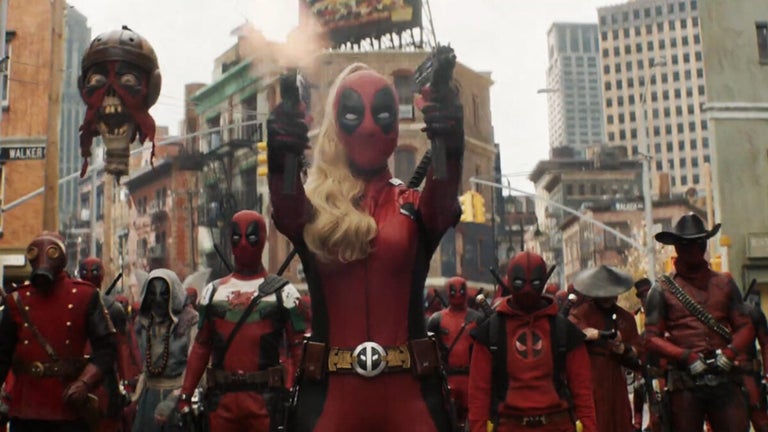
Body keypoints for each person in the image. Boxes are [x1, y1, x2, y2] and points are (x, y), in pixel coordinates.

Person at [267, 60, 464, 431]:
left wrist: (448, 141)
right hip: (331, 399)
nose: (370, 127)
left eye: (383, 113)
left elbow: (443, 196)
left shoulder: (414, 206)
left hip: (409, 397)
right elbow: (285, 205)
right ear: (336, 123)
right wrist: (284, 155)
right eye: (354, 114)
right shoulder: (316, 209)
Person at [177, 210, 306, 431]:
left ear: (262, 239)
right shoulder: (212, 292)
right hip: (221, 403)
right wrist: (185, 395)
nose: (244, 244)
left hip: (266, 402)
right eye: (237, 237)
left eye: (251, 237)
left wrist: (293, 393)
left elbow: (298, 349)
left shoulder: (283, 293)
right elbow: (201, 347)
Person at [644, 213, 754, 432]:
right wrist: (686, 356)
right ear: (677, 246)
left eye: (698, 242)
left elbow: (745, 326)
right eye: (686, 243)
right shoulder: (661, 289)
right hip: (685, 381)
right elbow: (651, 338)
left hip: (724, 377)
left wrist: (730, 353)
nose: (693, 248)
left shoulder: (724, 283)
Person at [468, 251, 597, 432]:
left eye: (534, 283)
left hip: (557, 425)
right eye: (520, 282)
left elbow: (583, 391)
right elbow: (478, 395)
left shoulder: (563, 330)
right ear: (510, 280)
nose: (527, 290)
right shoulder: (491, 332)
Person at [0, 232, 117, 432]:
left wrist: (84, 383)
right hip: (26, 405)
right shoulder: (17, 300)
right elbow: (2, 353)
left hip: (68, 405)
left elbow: (107, 348)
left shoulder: (85, 295)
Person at [568, 265, 640, 432]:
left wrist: (623, 349)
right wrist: (593, 335)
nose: (608, 297)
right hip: (591, 383)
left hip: (617, 386)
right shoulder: (580, 315)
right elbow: (571, 336)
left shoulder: (625, 318)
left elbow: (638, 352)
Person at [132, 268, 197, 432]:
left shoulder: (190, 321)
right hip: (148, 399)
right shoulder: (143, 323)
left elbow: (195, 366)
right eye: (153, 294)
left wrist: (175, 398)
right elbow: (144, 366)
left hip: (178, 398)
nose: (158, 300)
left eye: (164, 294)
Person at [78, 257, 138, 432]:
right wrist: (126, 383)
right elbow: (122, 348)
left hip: (96, 376)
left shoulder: (113, 309)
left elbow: (122, 348)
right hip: (85, 374)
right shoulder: (111, 308)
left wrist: (126, 383)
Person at [427, 276, 484, 429]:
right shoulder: (436, 320)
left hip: (470, 378)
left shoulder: (478, 319)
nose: (458, 294)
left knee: (473, 419)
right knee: (446, 419)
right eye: (454, 291)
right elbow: (429, 351)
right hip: (448, 378)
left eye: (461, 291)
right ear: (448, 292)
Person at [739, 283, 768, 432]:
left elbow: (765, 344)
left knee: (760, 418)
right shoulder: (714, 314)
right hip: (723, 379)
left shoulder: (752, 313)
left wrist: (767, 375)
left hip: (749, 375)